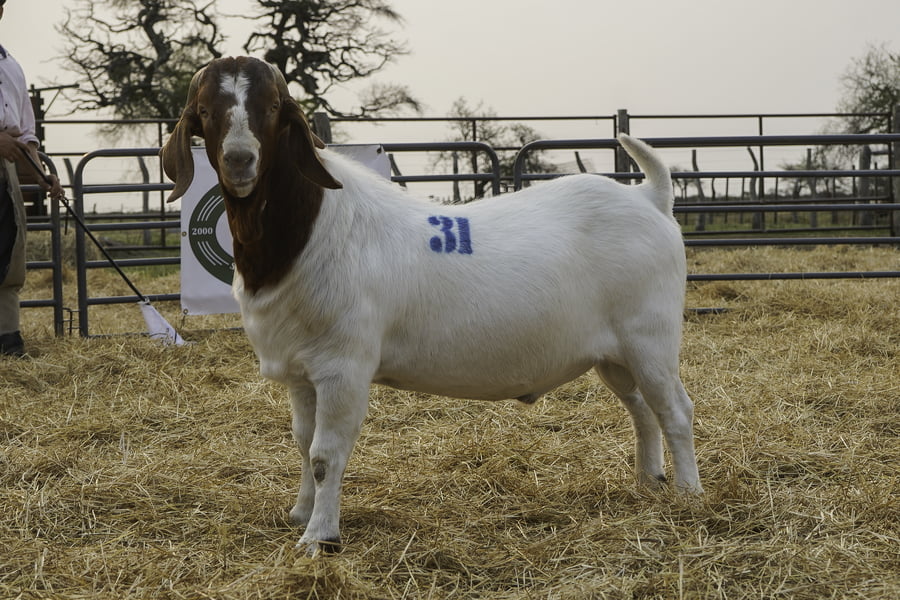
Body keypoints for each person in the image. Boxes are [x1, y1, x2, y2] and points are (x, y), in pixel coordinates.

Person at [0, 0, 63, 357]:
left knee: (9, 249)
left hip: (6, 171)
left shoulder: (11, 66)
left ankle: (8, 336)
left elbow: (25, 134)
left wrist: (42, 176)